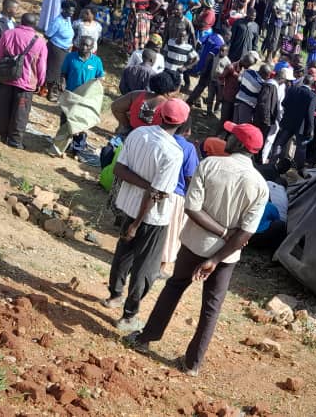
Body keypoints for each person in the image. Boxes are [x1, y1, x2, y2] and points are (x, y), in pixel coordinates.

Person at [123, 122, 268, 377]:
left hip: (194, 244)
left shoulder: (210, 164)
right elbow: (246, 232)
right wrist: (218, 255)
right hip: (227, 256)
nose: (226, 138)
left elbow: (192, 207)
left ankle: (146, 338)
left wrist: (218, 236)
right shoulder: (260, 185)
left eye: (231, 136)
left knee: (174, 287)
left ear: (238, 144)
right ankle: (192, 364)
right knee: (212, 307)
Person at [104, 99, 187, 332]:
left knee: (124, 254)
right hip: (152, 217)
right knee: (146, 268)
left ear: (160, 114)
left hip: (128, 206)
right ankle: (129, 316)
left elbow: (119, 169)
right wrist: (138, 223)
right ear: (182, 123)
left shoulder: (138, 133)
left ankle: (114, 296)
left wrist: (145, 186)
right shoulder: (173, 152)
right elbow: (156, 194)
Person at [0, 12, 47, 149]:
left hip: (6, 77)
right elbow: (41, 65)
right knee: (20, 112)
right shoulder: (40, 42)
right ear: (35, 25)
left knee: (4, 107)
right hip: (26, 83)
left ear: (21, 21)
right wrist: (41, 82)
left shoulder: (8, 34)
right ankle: (15, 140)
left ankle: (3, 134)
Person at [49, 36, 104, 157]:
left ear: (92, 47)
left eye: (87, 45)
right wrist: (63, 82)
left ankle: (77, 149)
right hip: (70, 95)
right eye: (82, 44)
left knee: (81, 123)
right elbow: (63, 73)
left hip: (85, 98)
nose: (84, 47)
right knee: (66, 121)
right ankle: (62, 146)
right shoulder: (71, 57)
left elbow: (100, 77)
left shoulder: (96, 61)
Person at [157, 121, 198, 279]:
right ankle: (160, 267)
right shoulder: (188, 148)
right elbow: (190, 176)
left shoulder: (162, 139)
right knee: (171, 233)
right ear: (188, 131)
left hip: (154, 188)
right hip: (176, 196)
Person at [270, 75, 316, 176]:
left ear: (303, 81)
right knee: (301, 148)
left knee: (279, 144)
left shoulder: (292, 89)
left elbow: (284, 103)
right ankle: (300, 170)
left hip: (288, 122)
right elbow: (310, 114)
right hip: (301, 126)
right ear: (312, 84)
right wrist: (311, 129)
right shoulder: (312, 95)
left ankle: (272, 163)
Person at [110, 69, 179, 134]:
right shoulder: (170, 107)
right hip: (151, 140)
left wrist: (127, 126)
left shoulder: (137, 95)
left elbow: (115, 107)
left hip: (131, 135)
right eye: (178, 90)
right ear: (169, 92)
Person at [44, 0, 76, 101]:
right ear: (64, 9)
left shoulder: (68, 19)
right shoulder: (57, 22)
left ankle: (57, 91)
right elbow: (47, 35)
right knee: (54, 71)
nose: (72, 13)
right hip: (56, 48)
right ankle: (51, 93)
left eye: (73, 11)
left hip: (65, 49)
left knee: (62, 71)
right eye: (70, 11)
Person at [186, 26, 224, 108]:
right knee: (208, 88)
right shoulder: (220, 43)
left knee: (201, 85)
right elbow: (210, 56)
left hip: (202, 64)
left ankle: (192, 101)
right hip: (210, 68)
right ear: (225, 35)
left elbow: (199, 42)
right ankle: (194, 102)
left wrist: (197, 53)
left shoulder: (211, 35)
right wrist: (205, 68)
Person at [162, 25, 198, 90]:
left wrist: (186, 67)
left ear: (186, 37)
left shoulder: (188, 47)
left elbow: (197, 59)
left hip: (178, 73)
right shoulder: (170, 42)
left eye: (183, 36)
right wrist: (163, 62)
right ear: (177, 35)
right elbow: (165, 52)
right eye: (180, 36)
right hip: (167, 70)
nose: (181, 38)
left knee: (175, 90)